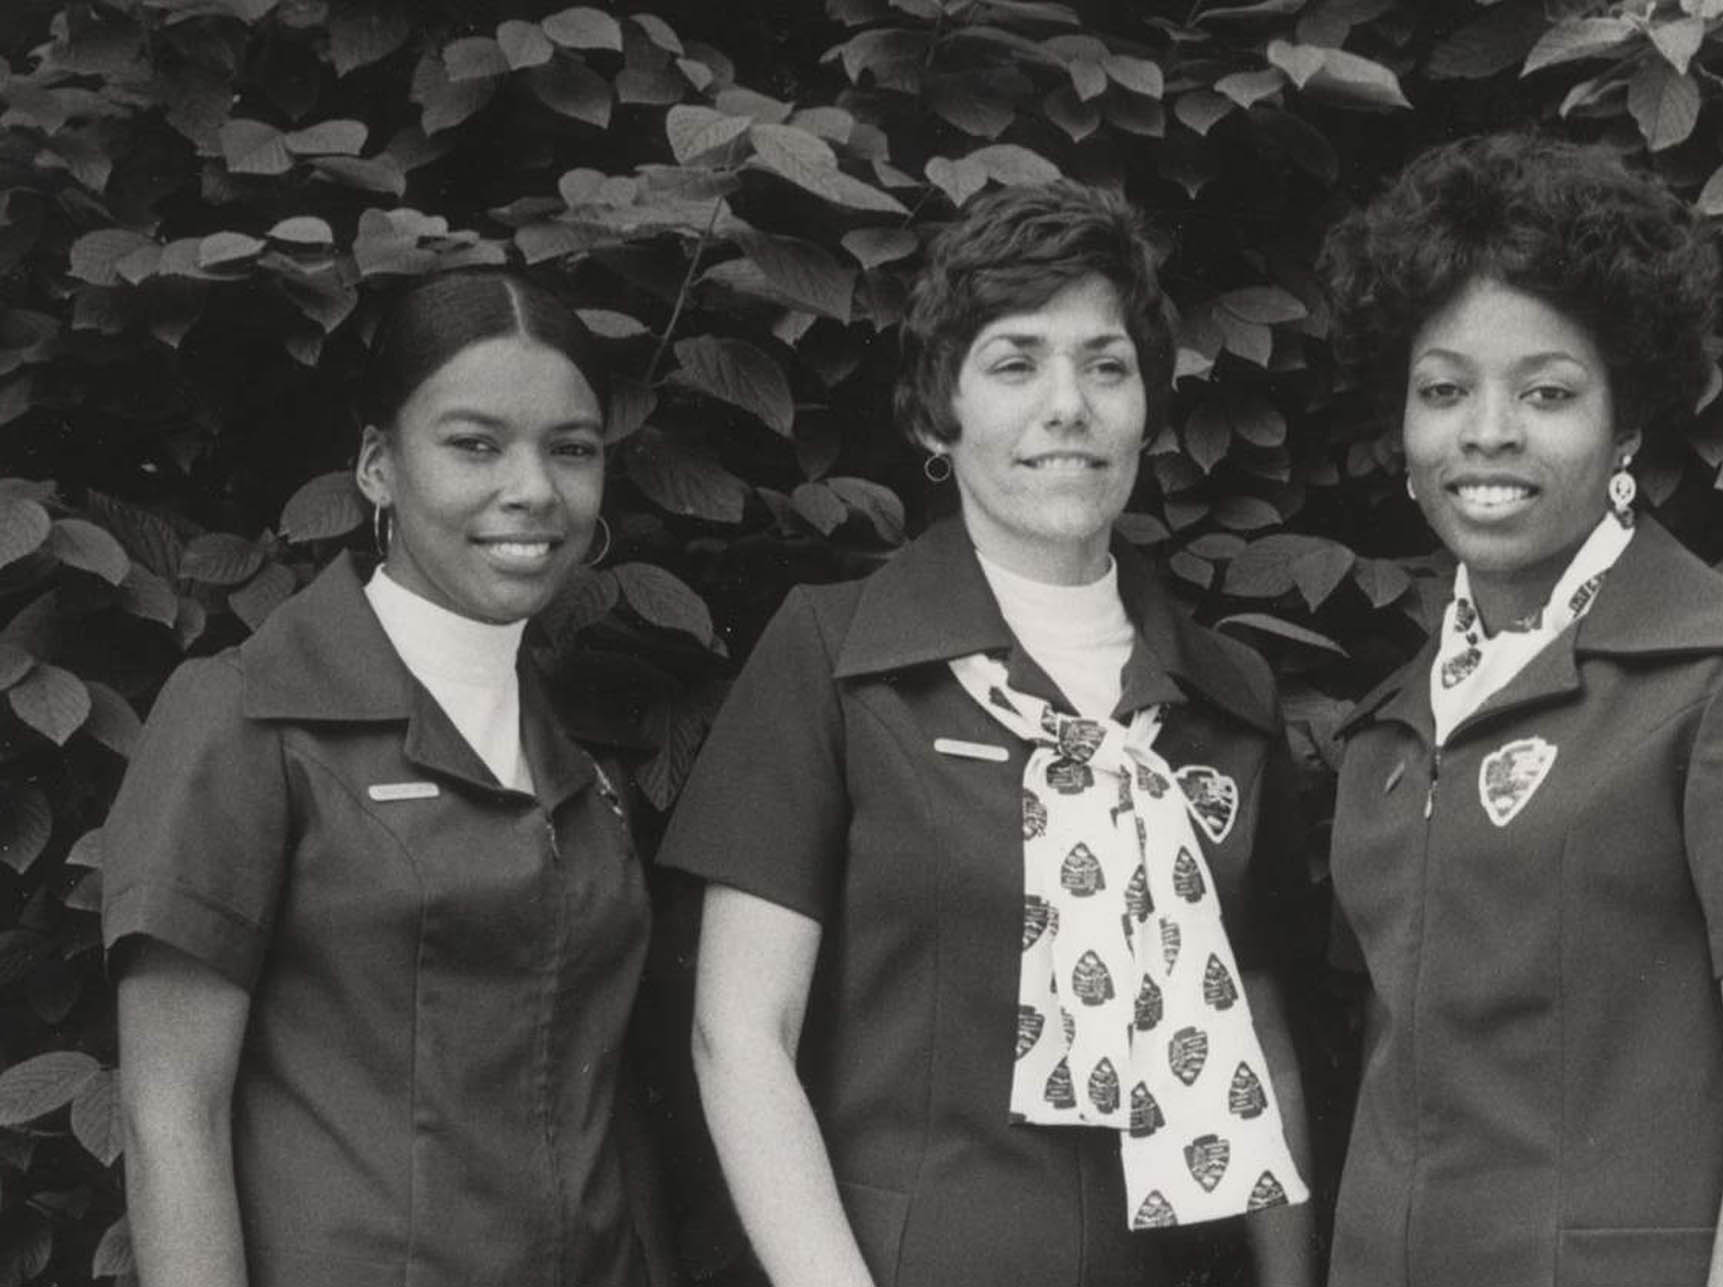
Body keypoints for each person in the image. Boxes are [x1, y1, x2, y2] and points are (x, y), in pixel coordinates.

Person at [660, 181, 1317, 1287]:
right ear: (935, 413)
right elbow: (740, 1037)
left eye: (1105, 366)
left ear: (1145, 405)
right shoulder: (831, 657)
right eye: (1014, 364)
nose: (1067, 405)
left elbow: (1260, 1041)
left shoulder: (1226, 700)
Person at [1313, 133, 1723, 1287]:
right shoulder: (1386, 728)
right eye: (1442, 391)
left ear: (1623, 425)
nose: (1486, 431)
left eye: (1545, 392)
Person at [107, 271, 661, 1287]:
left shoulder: (574, 764)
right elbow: (167, 1113)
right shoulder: (246, 716)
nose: (533, 488)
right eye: (474, 444)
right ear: (375, 466)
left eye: (571, 449)